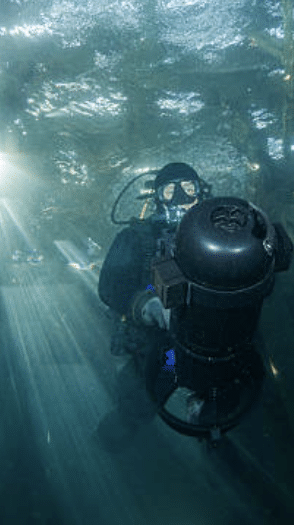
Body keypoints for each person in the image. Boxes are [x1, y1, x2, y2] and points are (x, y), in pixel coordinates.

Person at [95, 162, 210, 451]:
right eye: (170, 190)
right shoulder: (136, 238)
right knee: (143, 397)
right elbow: (110, 286)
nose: (181, 198)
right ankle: (115, 441)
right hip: (163, 347)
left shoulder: (221, 235)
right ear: (157, 197)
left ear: (202, 191)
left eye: (189, 188)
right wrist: (146, 303)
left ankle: (209, 418)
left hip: (211, 341)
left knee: (222, 392)